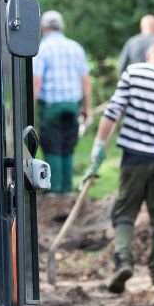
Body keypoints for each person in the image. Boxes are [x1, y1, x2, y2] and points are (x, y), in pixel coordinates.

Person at [85, 42, 154, 293]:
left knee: (125, 212)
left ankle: (124, 262)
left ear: (149, 56)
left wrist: (99, 147)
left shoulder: (134, 73)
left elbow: (112, 112)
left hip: (134, 157)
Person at [33, 10, 92, 193]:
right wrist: (87, 108)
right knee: (68, 146)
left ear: (44, 28)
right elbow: (85, 81)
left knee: (52, 146)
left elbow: (36, 82)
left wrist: (30, 108)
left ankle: (54, 190)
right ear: (61, 27)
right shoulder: (75, 48)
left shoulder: (42, 49)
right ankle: (67, 190)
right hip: (72, 106)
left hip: (51, 107)